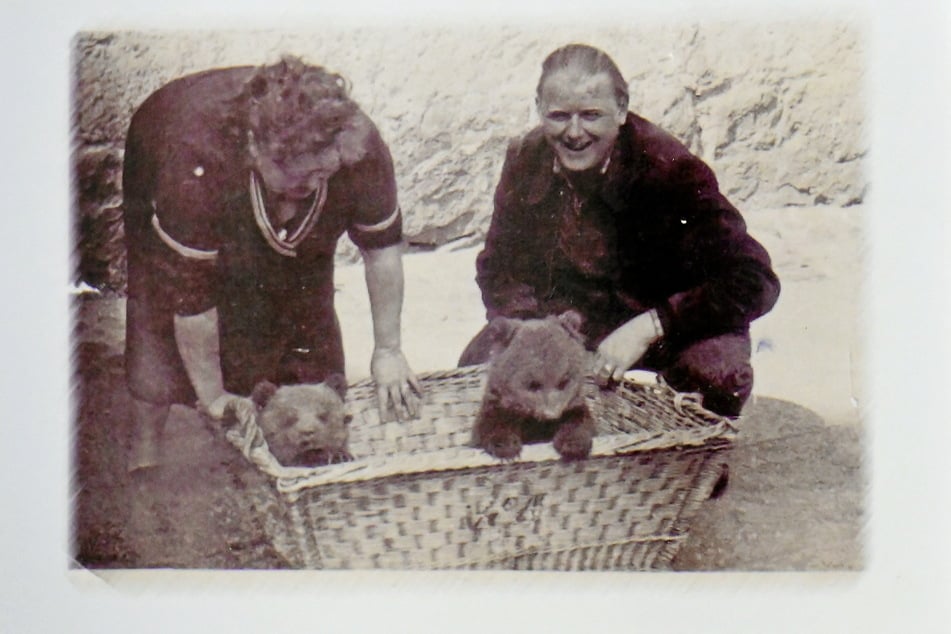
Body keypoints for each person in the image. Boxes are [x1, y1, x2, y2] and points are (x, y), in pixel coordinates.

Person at [122, 56, 421, 471]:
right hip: (169, 135)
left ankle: (299, 457)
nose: (313, 186)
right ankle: (146, 450)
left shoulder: (361, 149)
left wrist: (388, 349)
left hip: (264, 195)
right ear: (253, 149)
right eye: (298, 179)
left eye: (324, 173)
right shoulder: (195, 159)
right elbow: (191, 299)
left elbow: (382, 248)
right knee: (160, 302)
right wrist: (213, 397)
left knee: (302, 288)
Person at [460, 44, 780, 417]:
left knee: (717, 376)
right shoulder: (525, 159)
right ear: (539, 109)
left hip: (670, 329)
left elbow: (753, 278)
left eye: (592, 115)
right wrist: (536, 334)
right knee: (478, 372)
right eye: (559, 116)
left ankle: (692, 467)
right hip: (575, 324)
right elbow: (500, 266)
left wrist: (651, 325)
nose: (574, 133)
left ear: (621, 109)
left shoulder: (669, 168)